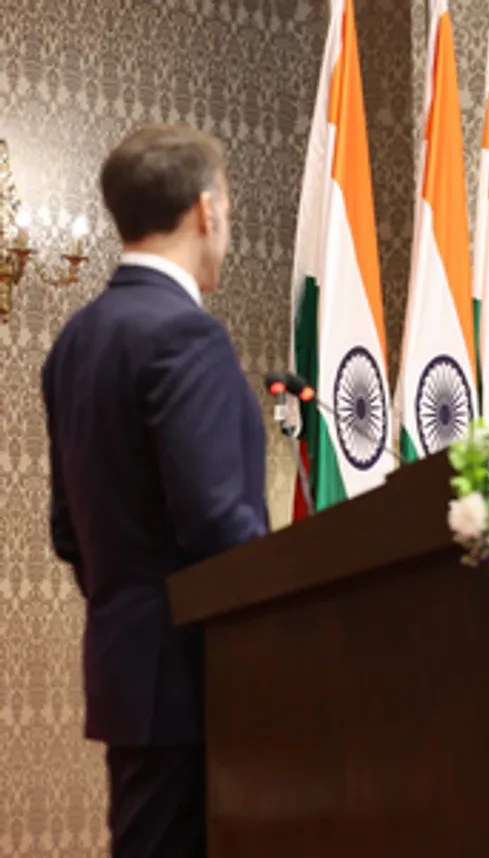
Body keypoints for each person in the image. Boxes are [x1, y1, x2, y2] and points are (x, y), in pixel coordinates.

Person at [41, 124, 269, 858]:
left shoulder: (75, 342)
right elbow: (216, 523)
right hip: (200, 679)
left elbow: (68, 530)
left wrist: (133, 607)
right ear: (206, 208)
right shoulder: (184, 334)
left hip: (129, 673)